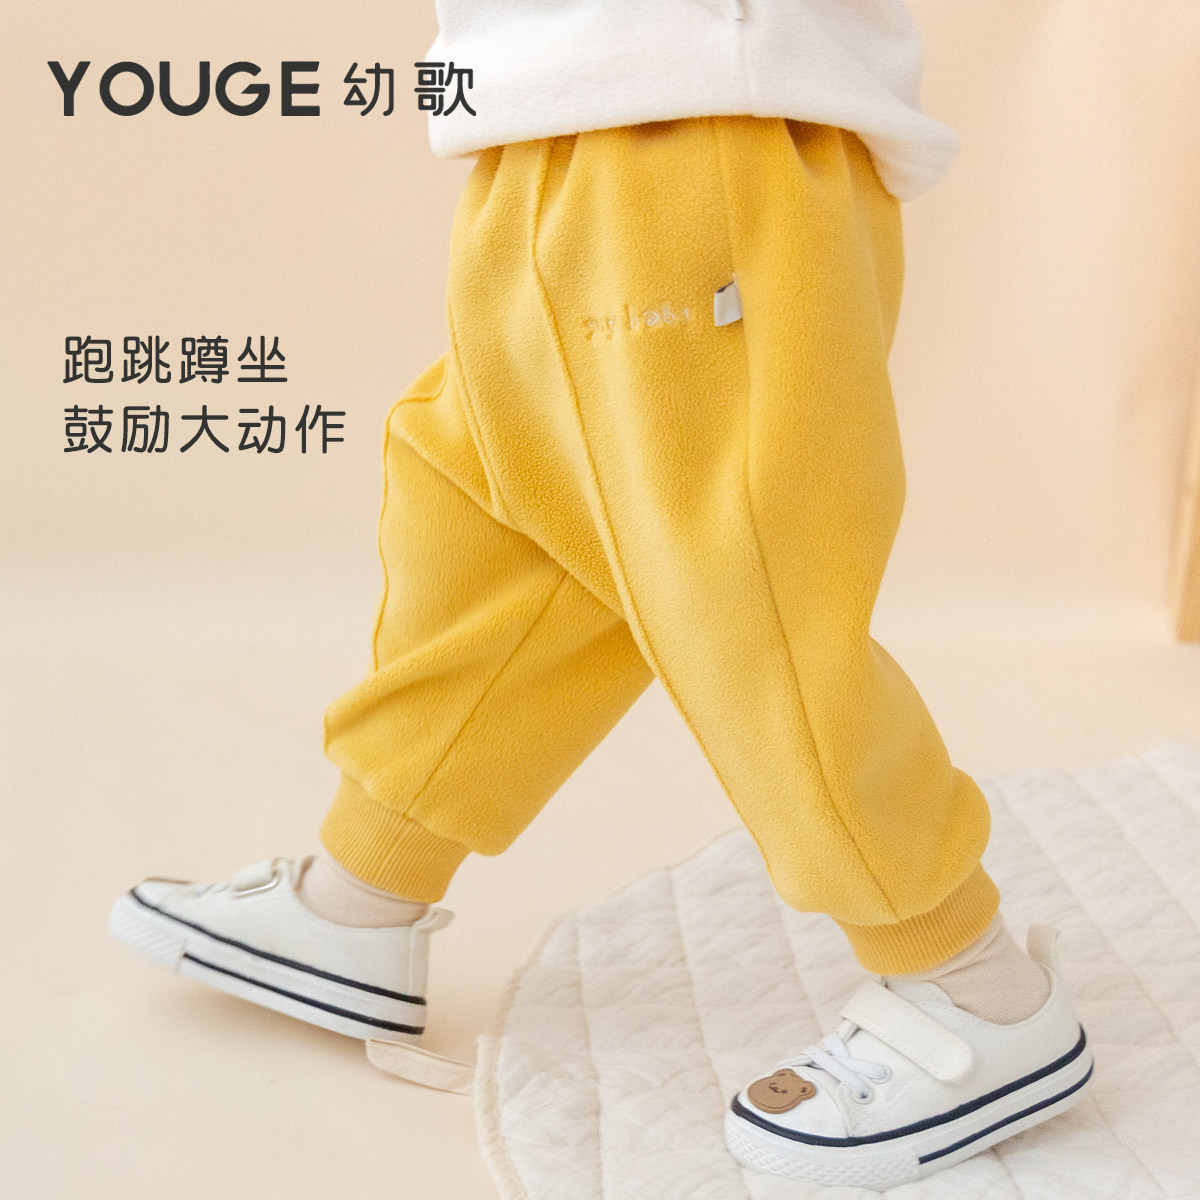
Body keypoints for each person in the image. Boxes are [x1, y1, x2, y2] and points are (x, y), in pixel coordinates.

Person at [109, 0, 1093, 1186]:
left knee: (743, 590)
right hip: (544, 124)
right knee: (496, 539)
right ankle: (363, 889)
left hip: (692, 121)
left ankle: (967, 978)